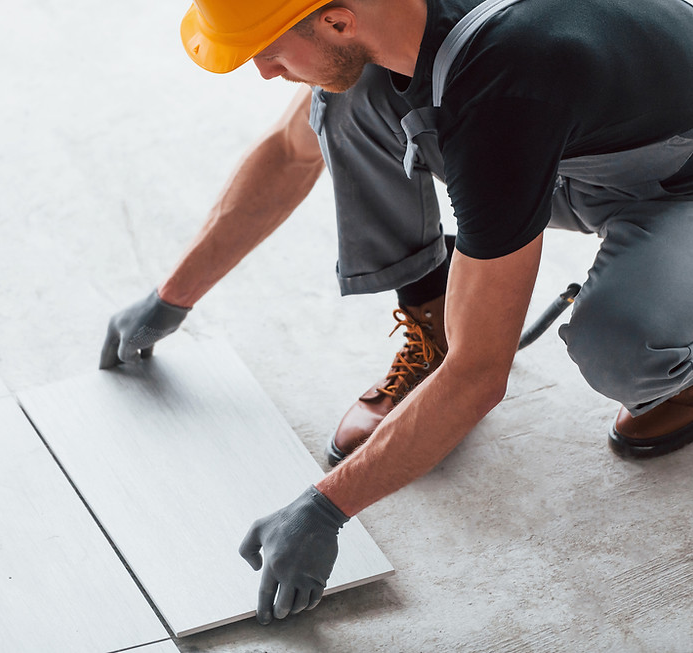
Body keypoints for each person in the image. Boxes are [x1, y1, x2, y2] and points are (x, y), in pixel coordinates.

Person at [100, 0, 693, 627]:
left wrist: (325, 509)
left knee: (625, 343)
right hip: (589, 142)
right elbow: (290, 151)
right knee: (345, 100)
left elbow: (480, 375)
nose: (266, 73)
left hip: (676, 176)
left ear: (335, 20)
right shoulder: (391, 23)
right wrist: (173, 295)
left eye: (268, 50)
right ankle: (432, 323)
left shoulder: (504, 97)